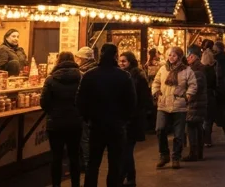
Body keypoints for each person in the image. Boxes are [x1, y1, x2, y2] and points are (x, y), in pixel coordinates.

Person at [76, 43, 135, 187]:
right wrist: (124, 120)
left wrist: (87, 118)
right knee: (115, 163)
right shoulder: (124, 76)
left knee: (93, 163)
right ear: (115, 55)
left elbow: (80, 100)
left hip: (96, 125)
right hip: (116, 126)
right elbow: (132, 102)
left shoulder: (90, 75)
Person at [40, 52, 82, 187]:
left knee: (56, 157)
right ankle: (75, 184)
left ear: (58, 61)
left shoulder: (51, 79)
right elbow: (85, 99)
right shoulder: (81, 77)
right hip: (75, 122)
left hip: (55, 123)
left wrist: (52, 112)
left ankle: (56, 185)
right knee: (74, 156)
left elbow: (44, 102)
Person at [151, 46, 198, 169]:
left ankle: (176, 157)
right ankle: (164, 155)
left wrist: (187, 95)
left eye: (174, 55)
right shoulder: (162, 69)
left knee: (178, 134)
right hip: (163, 104)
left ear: (179, 57)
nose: (171, 58)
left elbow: (193, 84)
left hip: (179, 105)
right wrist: (156, 91)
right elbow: (156, 82)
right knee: (160, 129)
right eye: (169, 55)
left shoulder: (187, 70)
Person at [118, 52, 150, 186]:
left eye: (124, 61)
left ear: (130, 62)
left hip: (132, 119)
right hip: (126, 119)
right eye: (120, 61)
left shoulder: (137, 77)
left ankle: (128, 177)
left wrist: (132, 113)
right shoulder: (123, 76)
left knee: (126, 149)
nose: (121, 64)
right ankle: (128, 176)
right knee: (125, 150)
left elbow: (143, 99)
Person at [184, 46, 209, 161]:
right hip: (201, 103)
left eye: (188, 56)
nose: (187, 59)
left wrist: (186, 97)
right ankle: (198, 153)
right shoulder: (200, 68)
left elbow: (194, 89)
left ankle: (194, 153)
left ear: (193, 56)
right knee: (198, 127)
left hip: (195, 104)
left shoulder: (195, 70)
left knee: (192, 128)